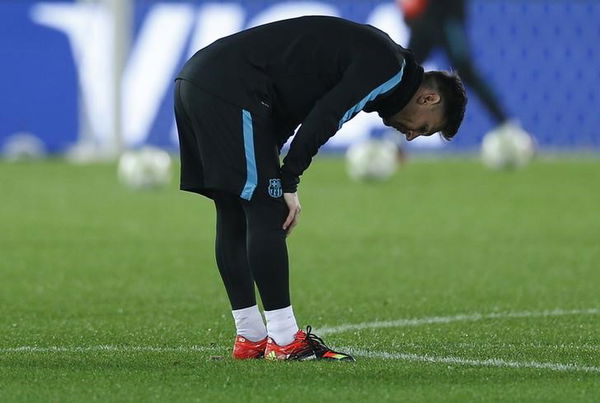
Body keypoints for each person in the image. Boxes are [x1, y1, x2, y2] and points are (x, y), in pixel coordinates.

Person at [174, 16, 467, 361]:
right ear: (429, 99)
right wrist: (287, 179)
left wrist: (275, 166)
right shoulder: (389, 68)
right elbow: (327, 116)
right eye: (425, 129)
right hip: (230, 88)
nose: (411, 136)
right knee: (267, 208)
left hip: (199, 79)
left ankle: (251, 338)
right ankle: (284, 341)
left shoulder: (382, 58)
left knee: (234, 208)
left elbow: (289, 105)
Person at [398, 0, 511, 129]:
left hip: (448, 16)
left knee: (465, 71)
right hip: (426, 19)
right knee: (405, 74)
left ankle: (506, 125)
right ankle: (395, 136)